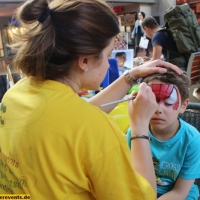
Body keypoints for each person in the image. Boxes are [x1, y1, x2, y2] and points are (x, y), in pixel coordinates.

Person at [0, 0, 182, 199]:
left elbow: (72, 120)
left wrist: (131, 76)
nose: (109, 63)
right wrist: (139, 126)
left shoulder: (17, 94)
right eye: (108, 55)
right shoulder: (96, 130)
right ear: (85, 60)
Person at [126, 70, 200, 199]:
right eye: (153, 101)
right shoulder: (135, 132)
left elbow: (180, 192)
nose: (158, 110)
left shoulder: (193, 140)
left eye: (168, 103)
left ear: (183, 105)